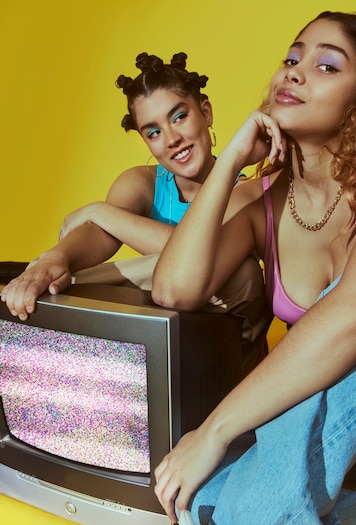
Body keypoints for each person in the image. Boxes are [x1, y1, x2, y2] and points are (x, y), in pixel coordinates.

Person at [77, 10, 356, 525]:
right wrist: (232, 155)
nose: (296, 73)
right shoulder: (267, 201)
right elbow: (178, 288)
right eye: (292, 58)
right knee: (219, 487)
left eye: (326, 65)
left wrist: (212, 433)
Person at [0, 52, 271, 376]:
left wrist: (100, 211)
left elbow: (188, 259)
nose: (172, 139)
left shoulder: (246, 193)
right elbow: (100, 235)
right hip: (168, 350)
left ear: (206, 112)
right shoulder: (141, 183)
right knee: (56, 279)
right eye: (153, 132)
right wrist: (54, 259)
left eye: (179, 116)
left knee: (238, 271)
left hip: (230, 357)